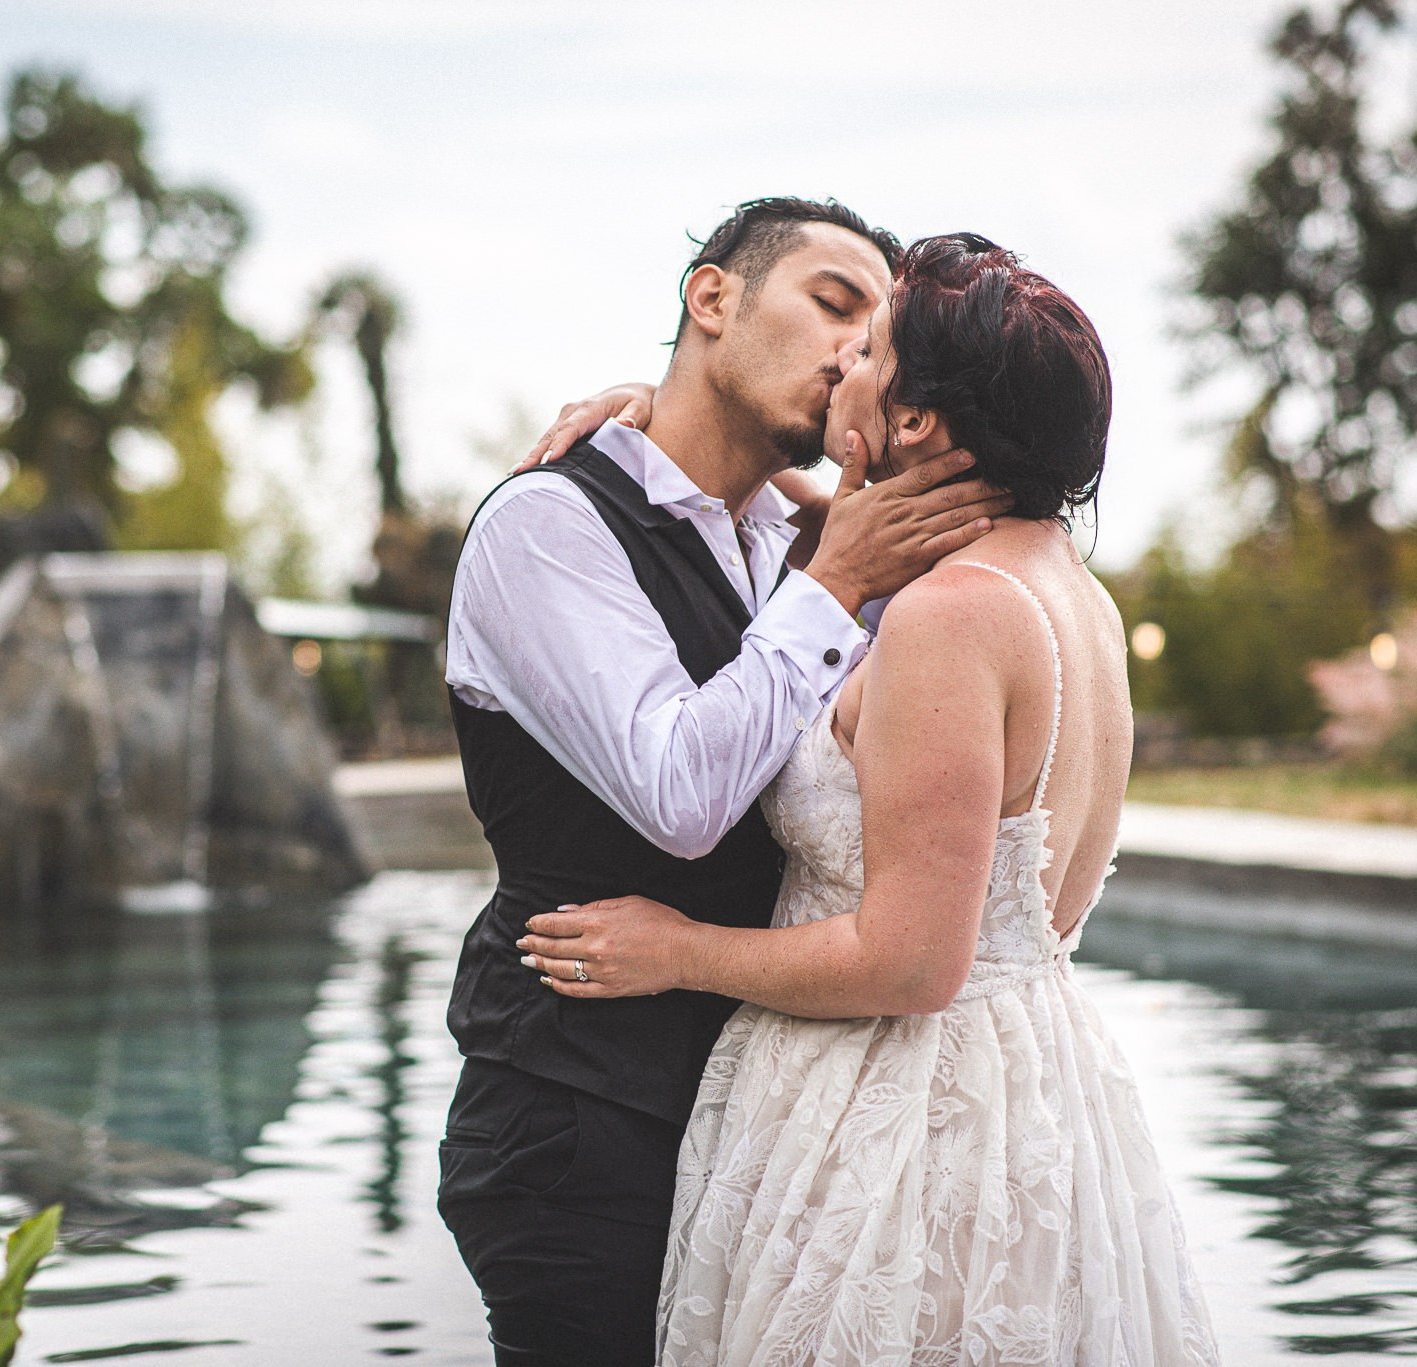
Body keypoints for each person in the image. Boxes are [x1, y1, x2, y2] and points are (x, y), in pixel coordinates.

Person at [517, 233, 1222, 1364]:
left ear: (919, 422)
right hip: (1031, 1092)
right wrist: (663, 417)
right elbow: (807, 511)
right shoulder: (1066, 591)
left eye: (872, 347)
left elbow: (910, 962)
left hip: (896, 1117)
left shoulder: (949, 616)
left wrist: (677, 948)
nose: (844, 360)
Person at [438, 199, 1014, 1367]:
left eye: (874, 336)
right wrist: (834, 579)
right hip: (574, 1122)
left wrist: (836, 557)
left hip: (752, 1122)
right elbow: (682, 794)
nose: (852, 353)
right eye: (831, 303)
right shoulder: (546, 526)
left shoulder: (774, 541)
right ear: (711, 300)